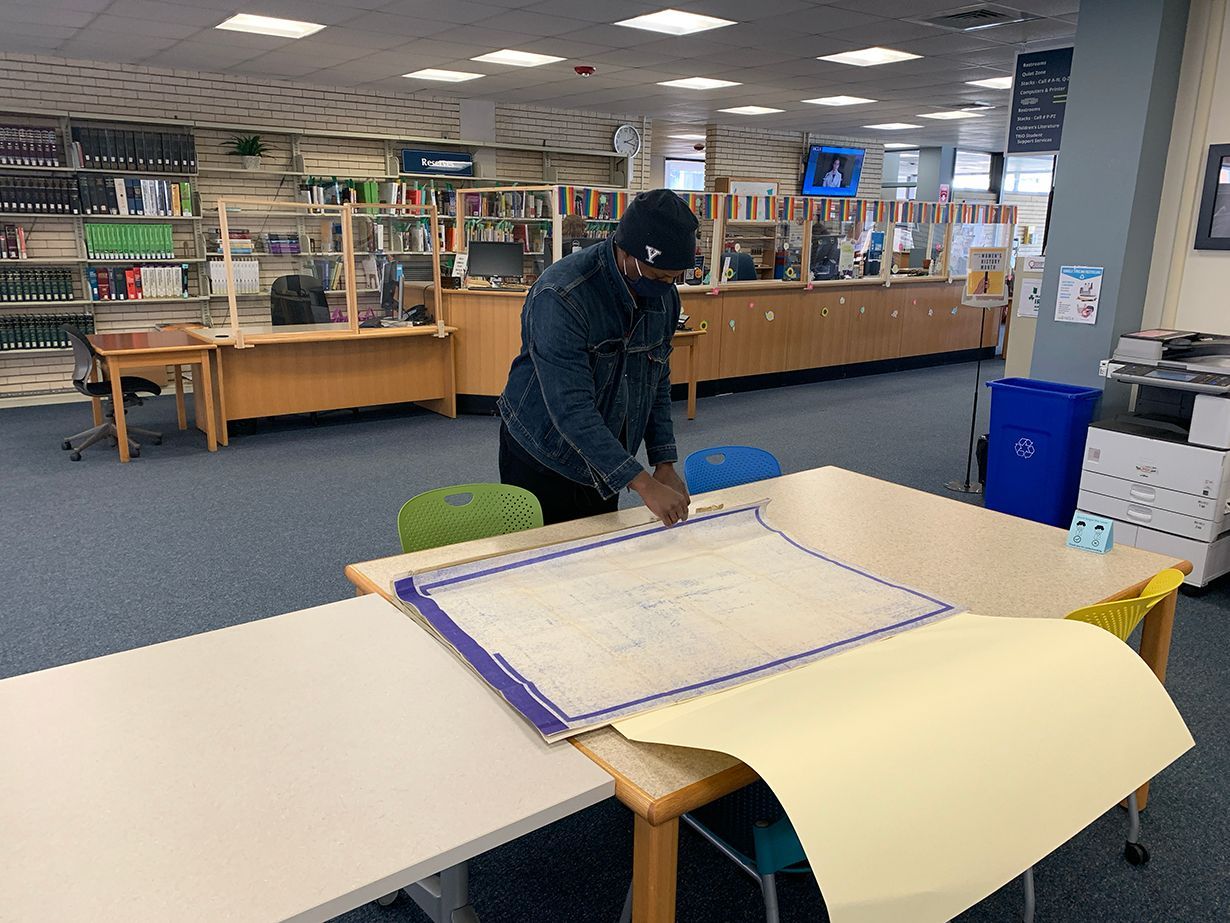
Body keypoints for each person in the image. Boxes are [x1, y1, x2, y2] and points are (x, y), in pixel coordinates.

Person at [498, 189, 698, 527]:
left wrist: (663, 462)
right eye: (657, 276)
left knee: (600, 547)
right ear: (626, 251)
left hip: (605, 451)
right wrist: (642, 483)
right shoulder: (561, 294)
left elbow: (657, 380)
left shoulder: (664, 297)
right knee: (544, 554)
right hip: (543, 451)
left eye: (674, 278)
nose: (666, 287)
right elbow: (571, 407)